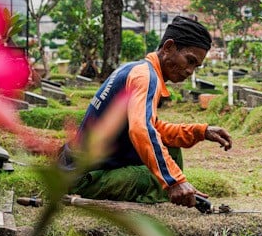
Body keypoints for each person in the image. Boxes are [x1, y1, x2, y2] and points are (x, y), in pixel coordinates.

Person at [59, 16, 232, 208]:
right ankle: (165, 195)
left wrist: (201, 131)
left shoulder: (136, 69)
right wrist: (174, 181)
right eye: (189, 60)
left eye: (195, 66)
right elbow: (141, 130)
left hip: (79, 166)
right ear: (168, 47)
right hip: (83, 177)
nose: (190, 70)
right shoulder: (146, 77)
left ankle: (174, 190)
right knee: (152, 180)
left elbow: (153, 127)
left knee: (171, 149)